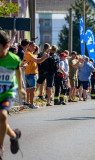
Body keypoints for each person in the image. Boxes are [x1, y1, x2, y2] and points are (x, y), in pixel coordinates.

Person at [0, 30, 26, 159]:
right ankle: (14, 136)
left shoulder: (14, 59)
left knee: (3, 115)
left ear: (5, 46)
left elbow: (18, 71)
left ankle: (0, 148)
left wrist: (21, 89)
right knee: (1, 121)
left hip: (7, 92)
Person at [23, 41, 49, 109]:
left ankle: (28, 103)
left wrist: (44, 57)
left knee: (28, 89)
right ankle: (31, 104)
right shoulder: (28, 53)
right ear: (29, 46)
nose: (35, 47)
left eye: (35, 46)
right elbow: (38, 60)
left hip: (28, 73)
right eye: (33, 46)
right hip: (31, 74)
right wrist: (45, 57)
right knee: (32, 89)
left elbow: (38, 61)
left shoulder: (29, 53)